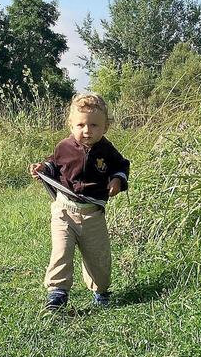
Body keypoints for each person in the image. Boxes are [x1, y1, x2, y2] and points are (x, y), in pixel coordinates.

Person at [29, 93, 129, 310]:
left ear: (105, 127)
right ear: (71, 125)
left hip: (92, 214)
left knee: (99, 261)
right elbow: (53, 165)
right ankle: (57, 294)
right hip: (64, 210)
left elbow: (121, 166)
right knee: (61, 251)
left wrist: (117, 180)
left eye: (94, 125)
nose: (87, 130)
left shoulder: (107, 150)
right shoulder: (64, 147)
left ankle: (100, 290)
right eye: (81, 124)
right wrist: (42, 169)